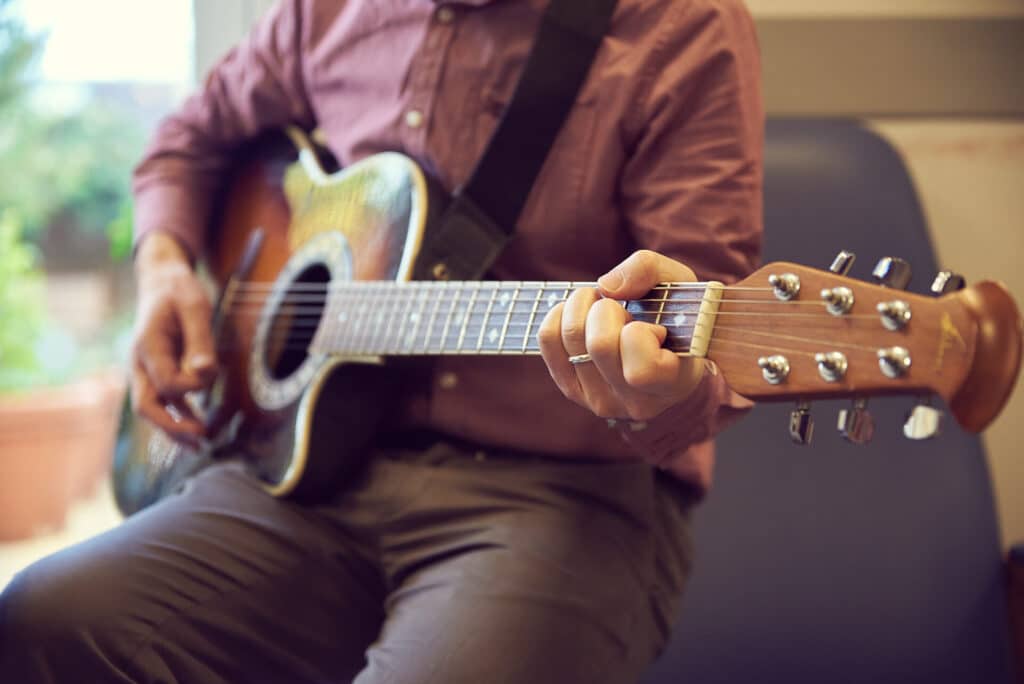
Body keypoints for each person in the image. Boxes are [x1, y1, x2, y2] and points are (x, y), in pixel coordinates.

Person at [0, 0, 763, 681]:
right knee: (49, 617)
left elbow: (709, 343)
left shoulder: (677, 23)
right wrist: (165, 267)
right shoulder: (323, 12)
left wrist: (660, 386)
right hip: (309, 474)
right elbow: (186, 141)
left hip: (559, 494)